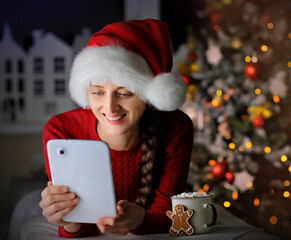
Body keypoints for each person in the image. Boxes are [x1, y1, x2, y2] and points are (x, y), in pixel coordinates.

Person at [39, 19, 193, 237]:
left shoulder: (176, 127)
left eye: (124, 93)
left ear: (148, 95)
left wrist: (139, 219)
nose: (110, 107)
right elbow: (79, 222)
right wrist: (68, 220)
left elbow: (170, 214)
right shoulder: (61, 130)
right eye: (98, 92)